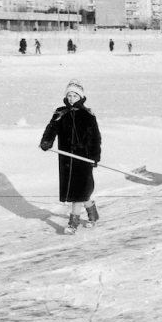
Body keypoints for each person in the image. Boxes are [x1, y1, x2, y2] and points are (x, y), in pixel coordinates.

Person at [39, 80, 102, 234]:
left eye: (75, 96)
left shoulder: (88, 115)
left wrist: (94, 156)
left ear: (81, 97)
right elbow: (51, 128)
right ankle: (93, 214)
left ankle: (73, 223)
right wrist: (47, 141)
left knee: (79, 192)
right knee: (79, 192)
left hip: (83, 159)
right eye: (69, 95)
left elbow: (95, 138)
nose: (72, 98)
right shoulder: (61, 113)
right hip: (67, 160)